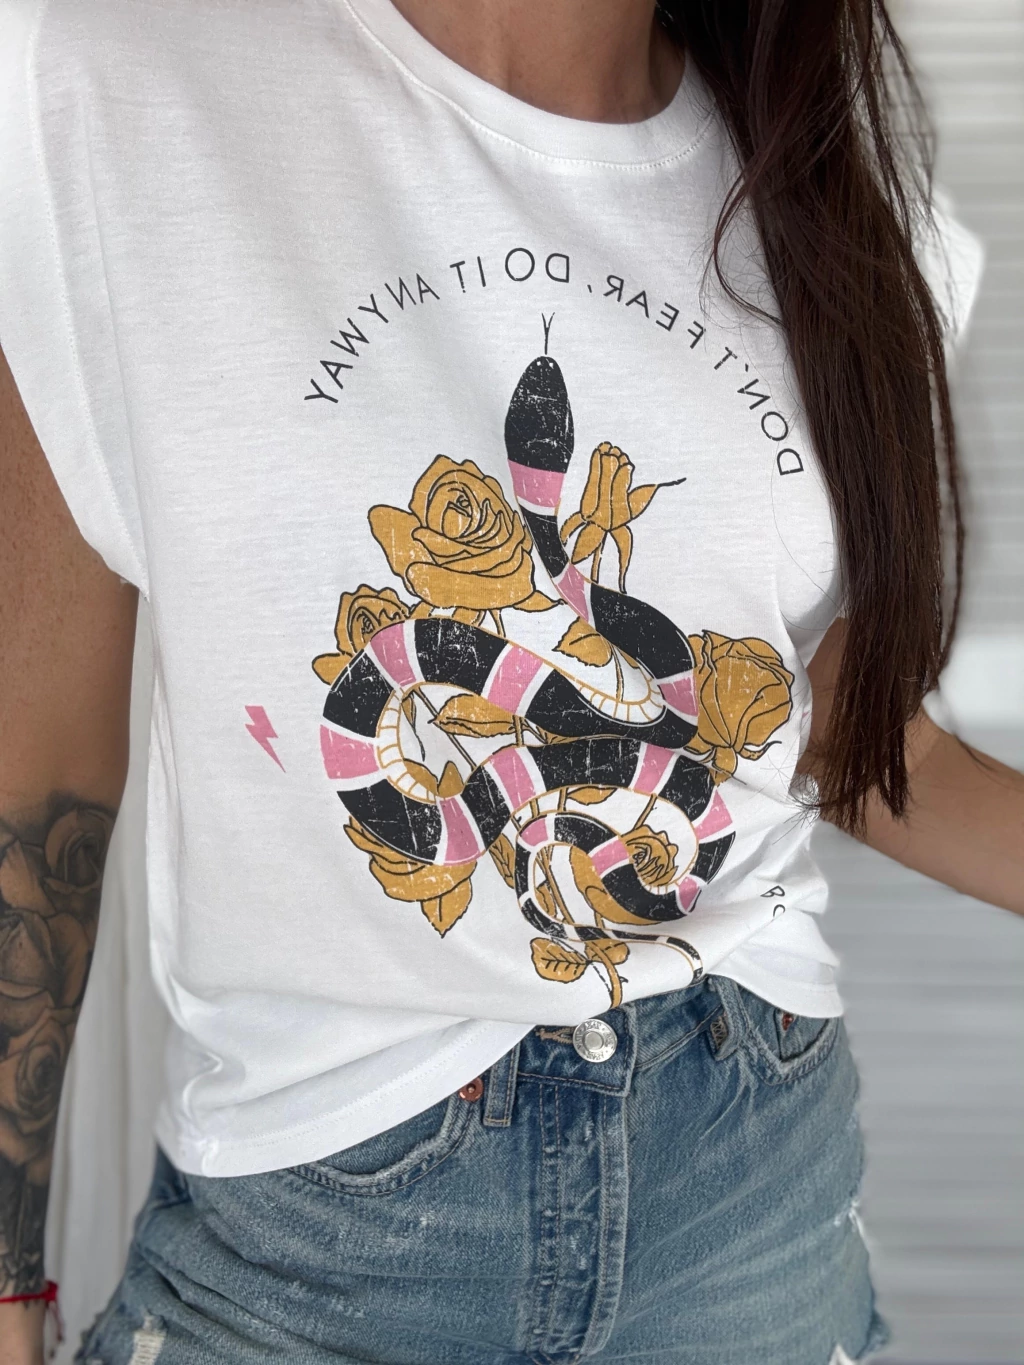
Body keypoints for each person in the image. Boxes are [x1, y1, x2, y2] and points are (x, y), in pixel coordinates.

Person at [0, 0, 1021, 1361]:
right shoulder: (109, 83)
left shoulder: (848, 203)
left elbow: (845, 741)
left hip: (747, 1172)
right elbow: (35, 763)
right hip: (312, 1220)